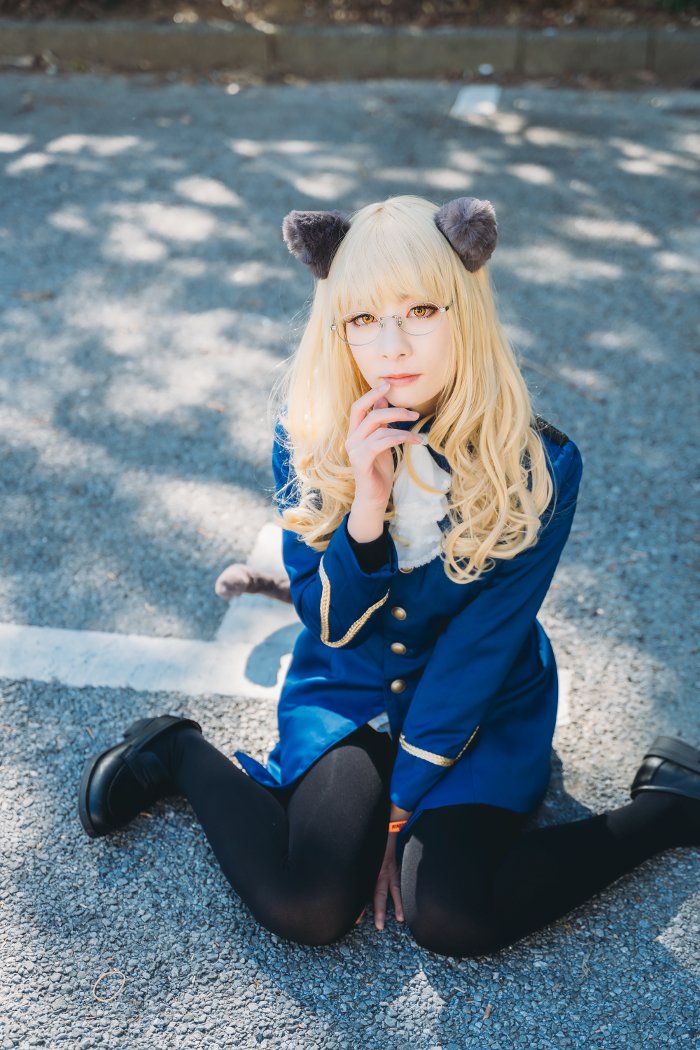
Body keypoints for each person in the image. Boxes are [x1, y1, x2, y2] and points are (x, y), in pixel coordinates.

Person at [77, 195, 700, 958]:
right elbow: (328, 624)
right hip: (351, 687)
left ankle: (667, 806)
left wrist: (398, 807)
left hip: (484, 703)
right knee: (310, 906)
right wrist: (366, 511)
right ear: (337, 325)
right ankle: (176, 749)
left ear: (464, 306)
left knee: (452, 917)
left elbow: (482, 645)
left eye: (420, 310)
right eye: (364, 318)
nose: (392, 344)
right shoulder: (307, 434)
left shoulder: (542, 464)